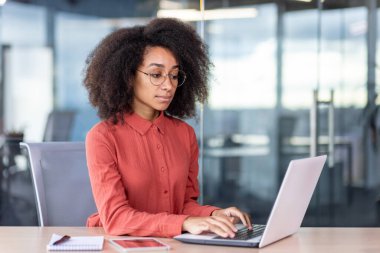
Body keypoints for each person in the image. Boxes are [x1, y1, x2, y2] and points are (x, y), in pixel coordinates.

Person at [83, 18, 252, 238]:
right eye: (156, 74)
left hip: (171, 245)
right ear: (128, 76)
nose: (168, 85)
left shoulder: (184, 134)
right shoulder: (103, 137)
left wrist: (214, 214)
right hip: (119, 244)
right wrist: (186, 222)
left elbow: (183, 205)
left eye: (174, 75)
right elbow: (116, 218)